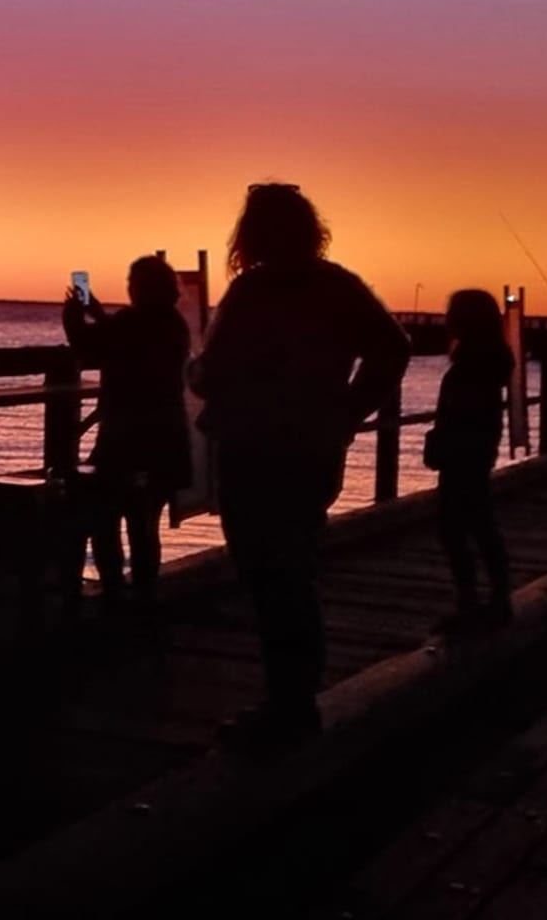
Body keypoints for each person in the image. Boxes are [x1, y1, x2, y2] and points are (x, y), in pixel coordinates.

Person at [190, 184, 409, 750]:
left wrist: (196, 374)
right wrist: (347, 411)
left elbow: (214, 372)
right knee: (295, 570)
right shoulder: (339, 287)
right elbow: (394, 349)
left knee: (266, 575)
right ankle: (295, 699)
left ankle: (285, 706)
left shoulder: (252, 290)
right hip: (313, 450)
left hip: (254, 449)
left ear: (252, 234)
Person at [62, 255, 192, 610]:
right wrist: (102, 317)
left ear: (139, 287)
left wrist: (73, 319)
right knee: (145, 522)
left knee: (104, 519)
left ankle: (114, 597)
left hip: (125, 439)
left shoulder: (132, 321)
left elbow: (92, 348)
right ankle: (146, 600)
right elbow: (124, 344)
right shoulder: (174, 324)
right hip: (167, 438)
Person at [428, 289, 515, 634]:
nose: (447, 319)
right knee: (478, 526)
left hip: (463, 455)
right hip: (474, 454)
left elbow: (463, 413)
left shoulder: (473, 365)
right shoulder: (487, 361)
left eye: (452, 313)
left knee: (458, 530)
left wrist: (445, 443)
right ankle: (494, 599)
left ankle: (474, 604)